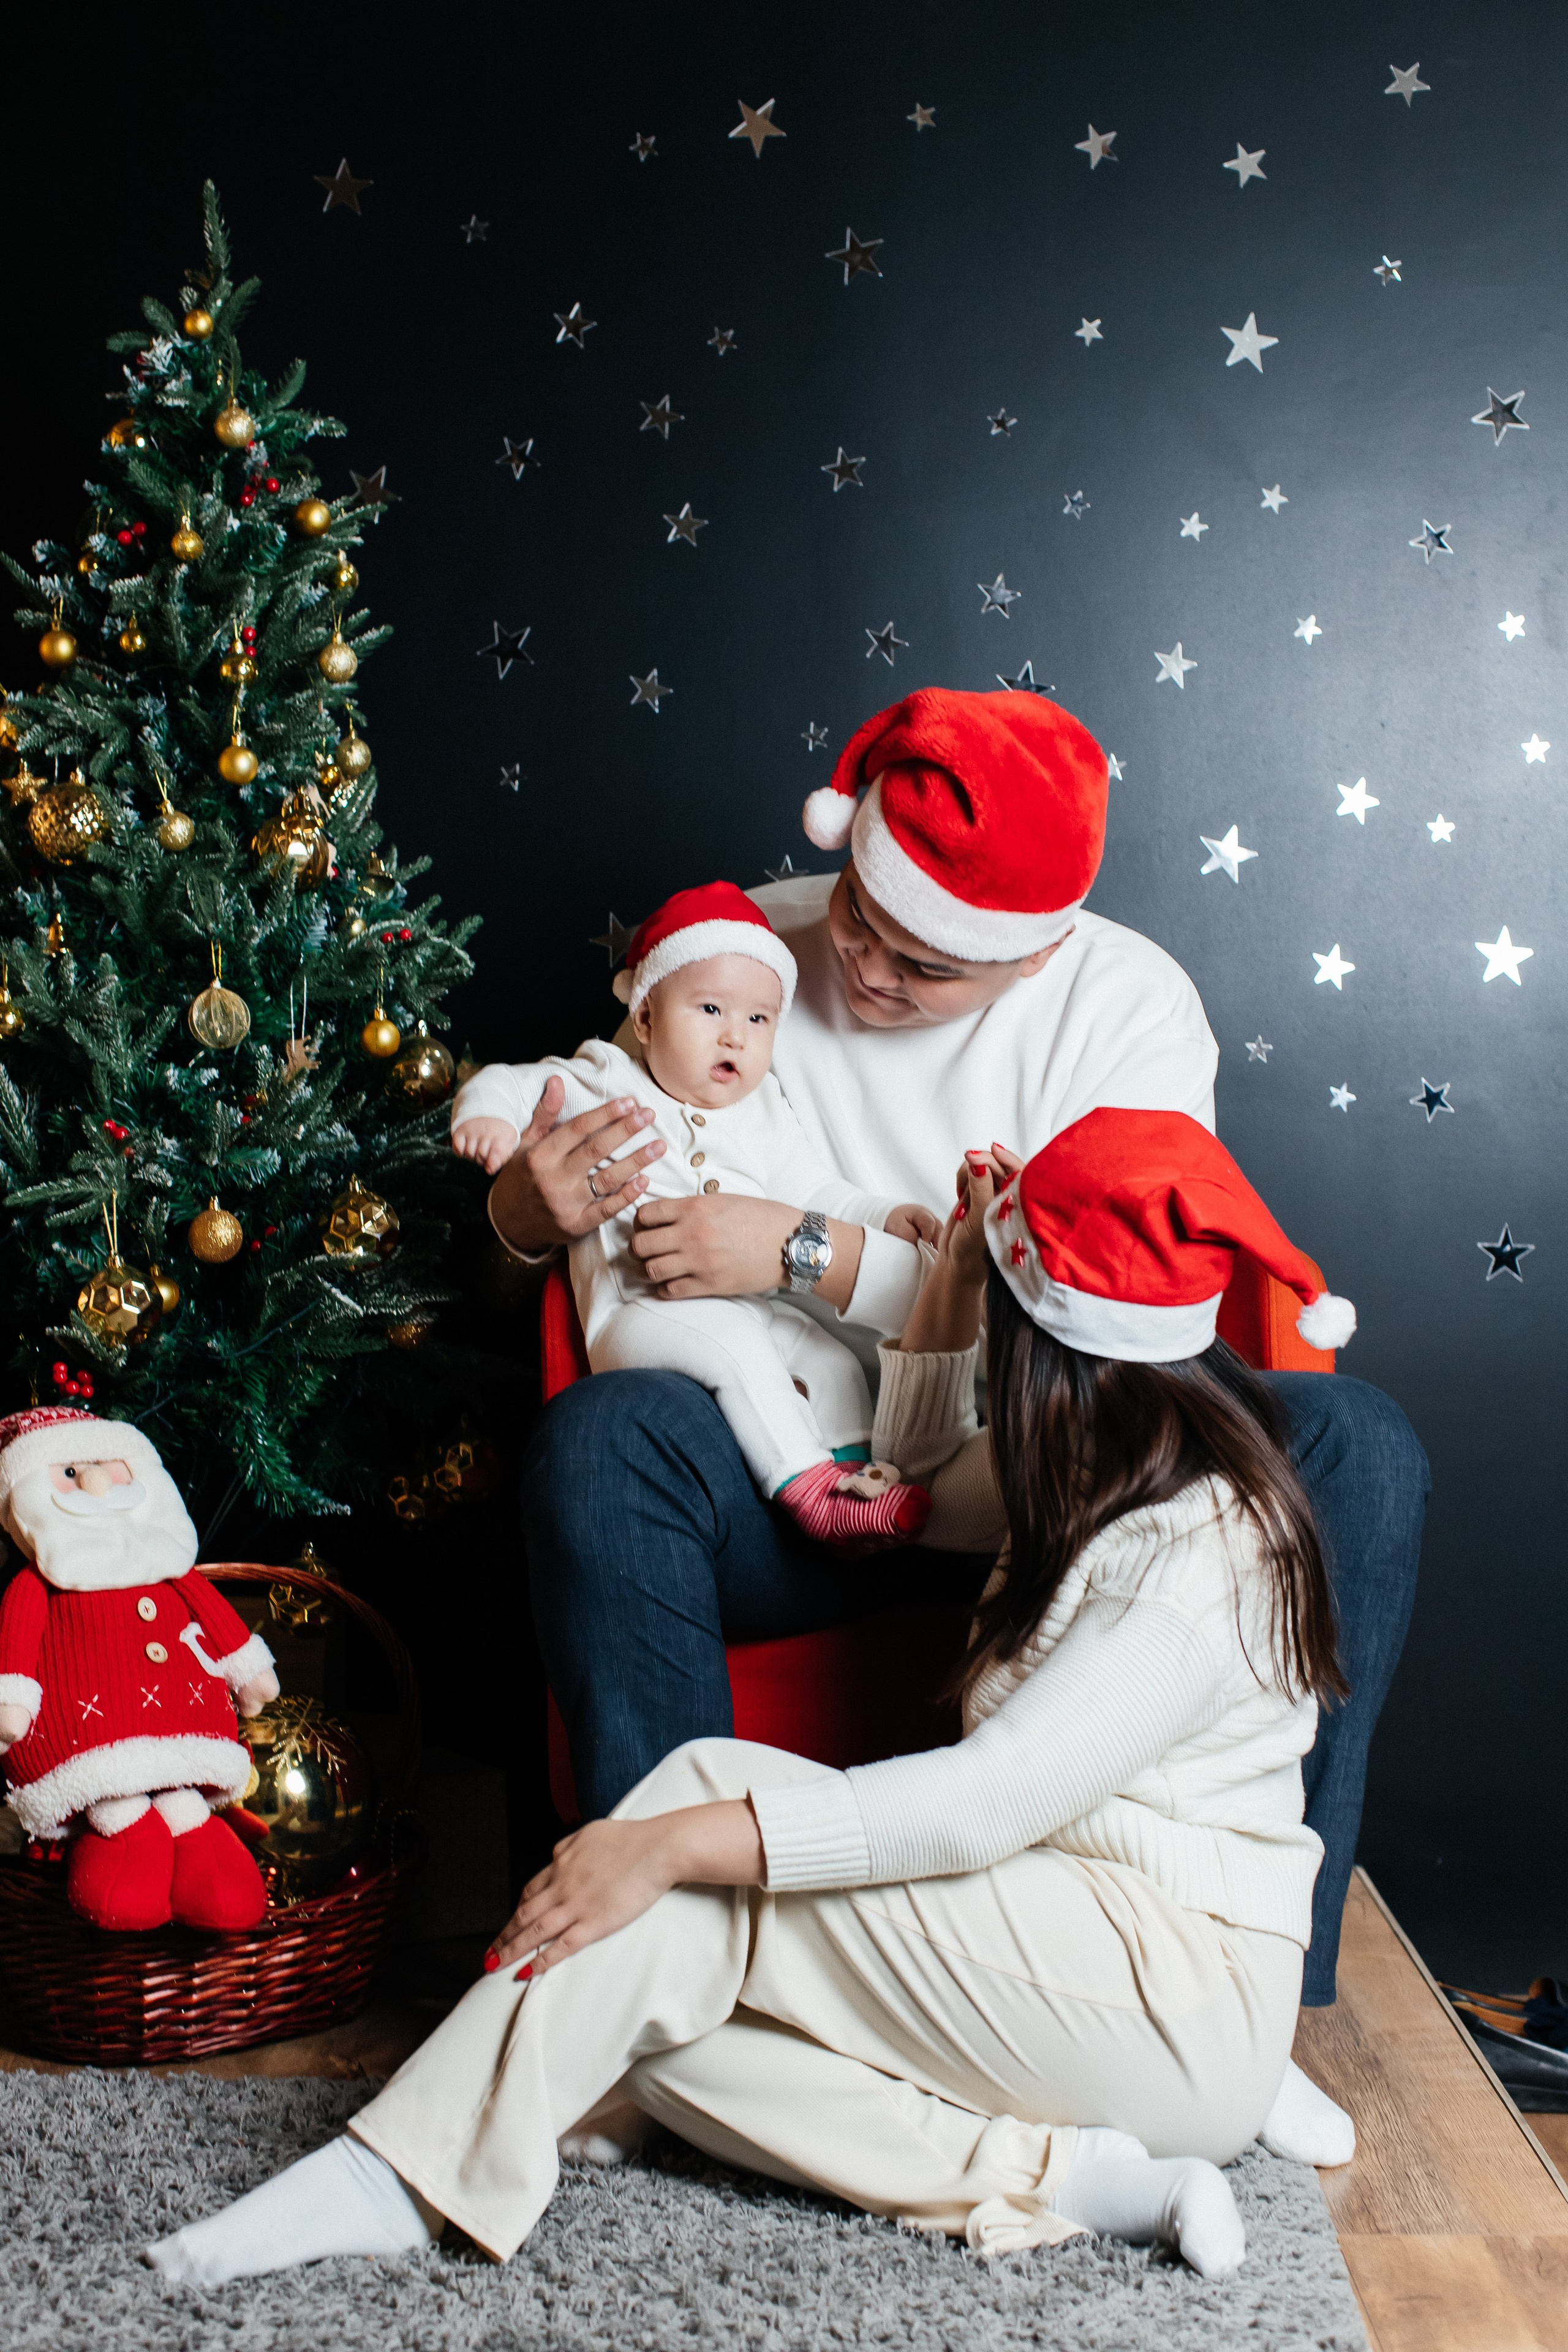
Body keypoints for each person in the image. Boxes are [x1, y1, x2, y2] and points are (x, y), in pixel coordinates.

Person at [146, 1109, 1349, 2287]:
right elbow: (908, 1481)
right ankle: (1061, 2175)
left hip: (1172, 2001)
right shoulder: (1089, 1455)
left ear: (1051, 1352)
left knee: (676, 1848)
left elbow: (983, 1802)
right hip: (1061, 1940)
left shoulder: (1198, 1554)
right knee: (649, 2007)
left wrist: (665, 1846)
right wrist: (953, 1290)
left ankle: (394, 2181)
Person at [497, 688, 1427, 2049]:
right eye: (860, 923)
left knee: (1356, 1443)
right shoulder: (748, 949)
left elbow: (1105, 1321)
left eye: (925, 966)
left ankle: (1258, 1997)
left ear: (1033, 954)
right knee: (604, 1436)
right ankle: (662, 1973)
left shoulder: (1126, 1011)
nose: (866, 973)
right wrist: (528, 1209)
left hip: (1059, 1478)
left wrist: (804, 1256)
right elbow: (586, 1208)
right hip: (797, 1470)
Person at [450, 882, 937, 1547]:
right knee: (737, 1352)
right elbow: (510, 1081)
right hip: (644, 1310)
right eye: (710, 1009)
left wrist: (884, 1216)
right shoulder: (604, 1076)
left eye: (759, 1020)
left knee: (830, 1362)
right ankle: (809, 1492)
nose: (735, 1035)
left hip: (755, 1304)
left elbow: (817, 1192)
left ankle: (854, 1482)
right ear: (645, 1018)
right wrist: (489, 1121)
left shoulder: (763, 1108)